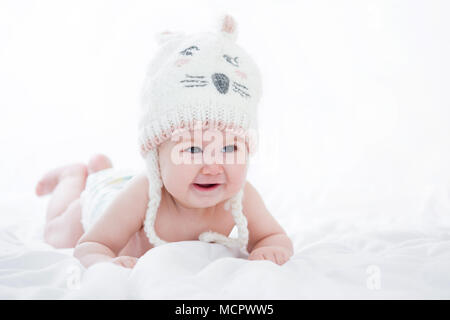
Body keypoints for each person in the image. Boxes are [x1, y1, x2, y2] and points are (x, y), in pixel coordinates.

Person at [35, 14, 293, 269]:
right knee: (58, 234)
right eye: (192, 149)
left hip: (123, 186)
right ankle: (73, 176)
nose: (213, 166)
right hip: (108, 199)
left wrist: (270, 249)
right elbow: (91, 245)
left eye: (229, 149)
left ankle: (103, 167)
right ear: (156, 156)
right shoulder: (143, 193)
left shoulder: (240, 195)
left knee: (108, 177)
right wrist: (105, 261)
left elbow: (274, 237)